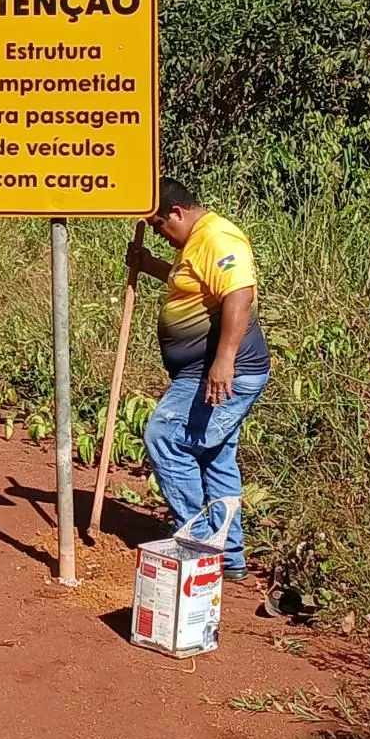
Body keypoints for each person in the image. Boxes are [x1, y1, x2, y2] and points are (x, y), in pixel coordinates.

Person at [127, 177, 270, 581]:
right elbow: (190, 283)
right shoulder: (195, 242)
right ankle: (229, 556)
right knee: (214, 456)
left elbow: (238, 294)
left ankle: (200, 544)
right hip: (204, 371)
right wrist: (148, 264)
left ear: (177, 212)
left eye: (159, 225)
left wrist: (223, 361)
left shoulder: (218, 237)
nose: (159, 231)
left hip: (222, 372)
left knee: (164, 436)